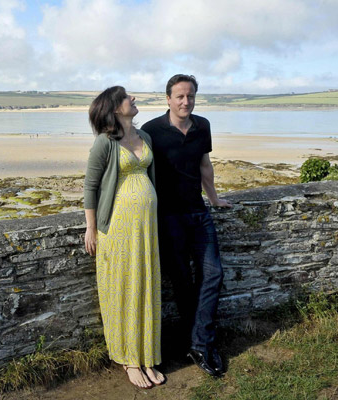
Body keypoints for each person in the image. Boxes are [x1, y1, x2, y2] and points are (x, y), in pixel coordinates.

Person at [141, 74, 232, 377]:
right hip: (168, 219)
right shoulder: (151, 131)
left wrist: (215, 199)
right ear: (167, 99)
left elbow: (205, 165)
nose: (185, 101)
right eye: (179, 96)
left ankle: (200, 343)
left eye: (190, 96)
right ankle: (199, 343)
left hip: (198, 212)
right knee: (182, 283)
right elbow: (138, 171)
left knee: (213, 273)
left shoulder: (202, 126)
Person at [84, 86, 165, 389]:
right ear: (116, 108)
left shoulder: (145, 138)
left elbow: (151, 178)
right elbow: (90, 187)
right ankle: (131, 360)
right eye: (128, 97)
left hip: (146, 228)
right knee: (125, 290)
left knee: (146, 286)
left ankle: (147, 356)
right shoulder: (104, 143)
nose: (134, 99)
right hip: (117, 229)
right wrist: (91, 228)